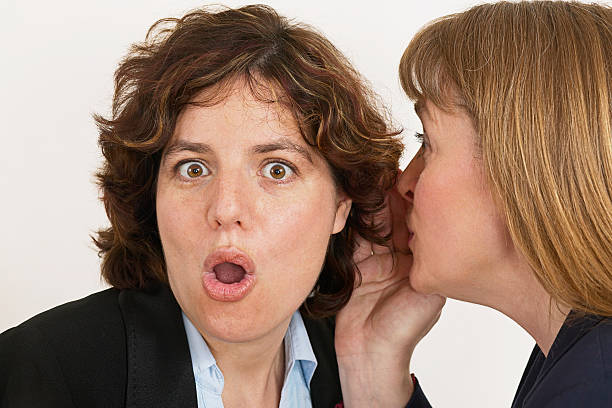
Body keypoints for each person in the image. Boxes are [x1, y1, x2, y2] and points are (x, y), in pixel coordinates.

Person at [0, 5, 403, 407]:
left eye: (277, 170)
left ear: (341, 206)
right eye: (193, 169)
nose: (226, 209)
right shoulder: (42, 368)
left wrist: (375, 372)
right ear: (151, 194)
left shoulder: (358, 369)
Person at [335, 1, 612, 407]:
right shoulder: (579, 357)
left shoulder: (593, 385)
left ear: (522, 167)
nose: (403, 185)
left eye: (425, 142)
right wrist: (372, 355)